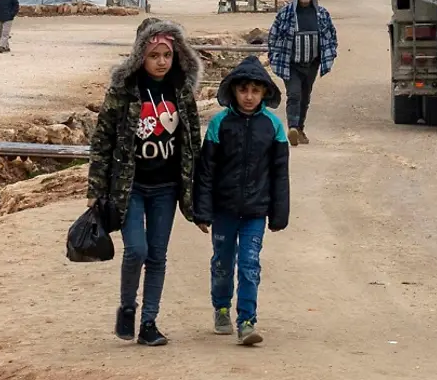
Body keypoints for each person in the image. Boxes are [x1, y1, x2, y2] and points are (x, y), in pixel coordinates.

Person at [86, 20, 204, 346]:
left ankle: (149, 323)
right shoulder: (123, 91)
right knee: (136, 249)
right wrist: (95, 191)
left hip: (166, 188)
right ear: (141, 55)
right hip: (130, 187)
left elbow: (193, 141)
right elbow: (102, 142)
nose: (162, 61)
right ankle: (128, 306)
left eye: (167, 54)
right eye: (154, 55)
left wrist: (198, 193)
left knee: (157, 255)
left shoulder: (180, 89)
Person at [193, 55, 290, 346]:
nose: (249, 96)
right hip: (223, 210)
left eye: (255, 90)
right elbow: (206, 171)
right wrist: (202, 211)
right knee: (223, 262)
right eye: (243, 89)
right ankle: (221, 306)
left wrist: (279, 214)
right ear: (233, 90)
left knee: (249, 264)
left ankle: (247, 321)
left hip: (255, 212)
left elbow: (279, 175)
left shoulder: (273, 127)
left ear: (265, 93)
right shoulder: (219, 124)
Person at [267, 0, 338, 146]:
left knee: (305, 97)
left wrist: (330, 52)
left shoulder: (322, 14)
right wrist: (274, 55)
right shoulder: (286, 14)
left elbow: (331, 35)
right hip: (291, 64)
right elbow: (273, 36)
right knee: (294, 94)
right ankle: (292, 127)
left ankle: (299, 128)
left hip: (312, 64)